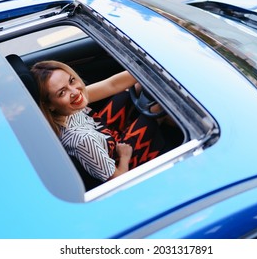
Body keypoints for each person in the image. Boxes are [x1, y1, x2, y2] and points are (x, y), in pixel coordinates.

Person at [30, 60, 166, 182]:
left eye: (71, 80)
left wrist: (152, 67)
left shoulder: (67, 106)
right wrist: (125, 157)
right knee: (156, 110)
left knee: (132, 88)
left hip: (102, 132)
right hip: (119, 158)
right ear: (49, 105)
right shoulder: (82, 140)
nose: (75, 92)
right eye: (62, 92)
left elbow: (112, 85)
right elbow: (117, 181)